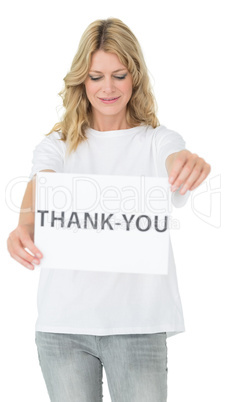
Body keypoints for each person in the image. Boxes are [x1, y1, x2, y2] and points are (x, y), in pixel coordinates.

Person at [7, 17, 211, 402]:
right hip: (63, 328)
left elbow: (174, 156)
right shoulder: (57, 143)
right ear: (82, 79)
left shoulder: (158, 141)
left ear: (135, 76)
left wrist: (185, 163)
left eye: (119, 75)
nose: (108, 88)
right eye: (96, 76)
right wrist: (24, 225)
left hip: (139, 326)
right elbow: (42, 183)